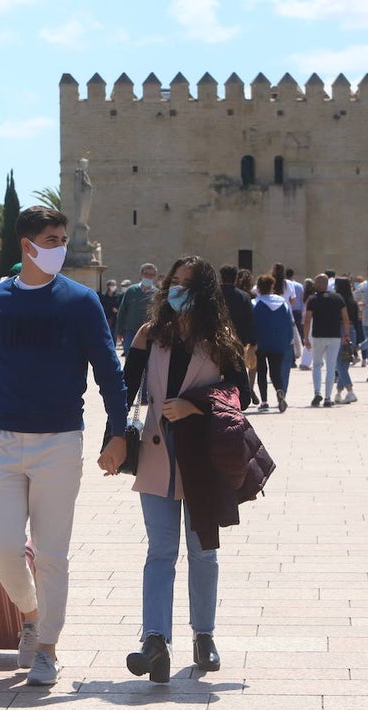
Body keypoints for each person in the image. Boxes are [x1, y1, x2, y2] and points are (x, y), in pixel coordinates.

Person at [0, 206, 128, 686]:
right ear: (26, 245)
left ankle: (47, 646)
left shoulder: (81, 301)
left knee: (52, 552)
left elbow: (109, 370)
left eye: (62, 238)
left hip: (59, 442)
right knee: (4, 546)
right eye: (50, 239)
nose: (59, 247)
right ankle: (31, 614)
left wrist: (119, 432)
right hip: (1, 441)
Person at [120, 256, 251, 682]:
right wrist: (114, 441)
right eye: (173, 282)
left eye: (187, 284)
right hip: (157, 456)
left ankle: (204, 636)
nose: (177, 290)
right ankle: (155, 640)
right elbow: (125, 390)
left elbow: (242, 395)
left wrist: (195, 404)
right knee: (159, 551)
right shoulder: (148, 335)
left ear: (206, 292)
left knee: (203, 551)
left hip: (203, 458)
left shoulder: (220, 339)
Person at [303, 274, 350, 408]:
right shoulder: (338, 298)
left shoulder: (312, 299)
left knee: (317, 365)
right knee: (331, 367)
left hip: (318, 336)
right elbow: (345, 318)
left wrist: (306, 337)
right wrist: (346, 334)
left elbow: (307, 320)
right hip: (334, 336)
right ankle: (328, 397)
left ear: (317, 285)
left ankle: (317, 392)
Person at [252, 274, 294, 413]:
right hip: (279, 343)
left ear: (258, 287)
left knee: (262, 372)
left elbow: (251, 324)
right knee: (276, 372)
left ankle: (264, 401)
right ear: (272, 286)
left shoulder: (255, 303)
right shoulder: (283, 303)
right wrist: (288, 340)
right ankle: (280, 391)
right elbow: (289, 323)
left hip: (260, 343)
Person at [218, 264, 258, 404]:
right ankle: (241, 398)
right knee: (237, 370)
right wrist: (253, 341)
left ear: (221, 277)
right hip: (238, 341)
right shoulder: (244, 296)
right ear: (235, 278)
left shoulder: (214, 295)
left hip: (216, 340)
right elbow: (250, 319)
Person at [116, 263, 158, 354]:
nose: (148, 277)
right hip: (131, 332)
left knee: (147, 360)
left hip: (149, 333)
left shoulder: (157, 293)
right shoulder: (131, 290)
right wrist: (120, 331)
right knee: (130, 357)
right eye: (146, 274)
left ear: (154, 276)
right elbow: (122, 311)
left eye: (151, 275)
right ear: (141, 274)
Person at [333, 277, 360, 404]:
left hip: (341, 331)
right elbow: (357, 320)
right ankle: (339, 392)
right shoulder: (353, 302)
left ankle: (350, 391)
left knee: (339, 363)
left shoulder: (338, 301)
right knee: (344, 363)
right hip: (352, 331)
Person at [98, 279, 122, 343]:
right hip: (106, 318)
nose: (114, 286)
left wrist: (117, 310)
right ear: (108, 286)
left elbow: (120, 307)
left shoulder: (118, 296)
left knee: (114, 336)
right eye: (112, 285)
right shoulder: (103, 297)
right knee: (107, 335)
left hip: (115, 319)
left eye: (115, 285)